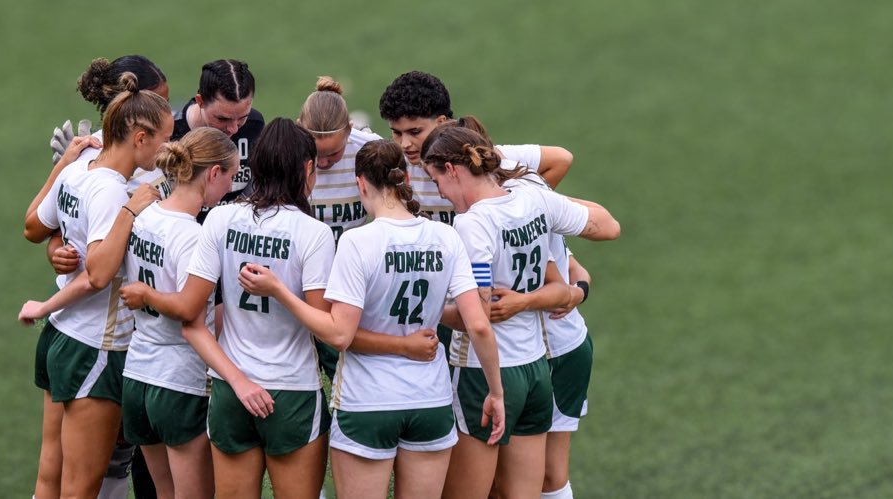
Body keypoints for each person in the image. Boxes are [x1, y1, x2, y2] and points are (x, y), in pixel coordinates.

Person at [237, 140, 507, 499]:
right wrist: (496, 392)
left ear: (361, 183)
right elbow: (477, 324)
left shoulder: (356, 241)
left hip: (367, 403)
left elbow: (338, 335)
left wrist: (280, 291)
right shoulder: (447, 236)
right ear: (407, 177)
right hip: (430, 401)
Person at [117, 119, 334, 499]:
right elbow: (327, 328)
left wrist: (238, 381)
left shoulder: (220, 218)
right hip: (292, 393)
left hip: (230, 393)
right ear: (306, 169)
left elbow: (192, 319)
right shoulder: (313, 233)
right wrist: (282, 292)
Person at [417, 125, 619, 498]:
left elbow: (476, 320)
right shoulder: (534, 202)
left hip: (486, 375)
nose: (440, 194)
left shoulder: (472, 224)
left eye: (436, 181)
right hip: (536, 371)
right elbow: (567, 275)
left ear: (452, 169)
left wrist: (427, 312)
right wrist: (571, 291)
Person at [18, 74, 174, 499]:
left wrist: (59, 167)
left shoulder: (79, 168)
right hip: (96, 348)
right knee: (81, 487)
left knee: (50, 476)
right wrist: (130, 210)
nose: (168, 151)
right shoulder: (113, 193)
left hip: (62, 338)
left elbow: (35, 224)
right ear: (140, 138)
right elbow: (100, 274)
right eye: (164, 140)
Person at [118, 127, 240, 499]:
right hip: (178, 381)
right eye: (232, 177)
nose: (232, 188)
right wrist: (149, 294)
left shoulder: (146, 216)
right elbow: (188, 309)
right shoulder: (191, 235)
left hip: (138, 375)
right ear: (214, 174)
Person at [377, 70, 574, 225]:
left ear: (442, 122)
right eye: (396, 133)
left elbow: (560, 160)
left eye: (415, 132)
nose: (404, 144)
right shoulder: (396, 167)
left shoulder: (480, 158)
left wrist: (524, 212)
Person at [296, 75, 384, 383]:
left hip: (352, 287)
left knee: (353, 377)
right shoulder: (287, 154)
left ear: (350, 131)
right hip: (300, 285)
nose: (322, 162)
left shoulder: (371, 153)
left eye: (333, 153)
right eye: (315, 153)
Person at [170, 59, 265, 220]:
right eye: (222, 119)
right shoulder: (172, 133)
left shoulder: (254, 125)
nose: (233, 128)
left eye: (242, 117)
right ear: (200, 101)